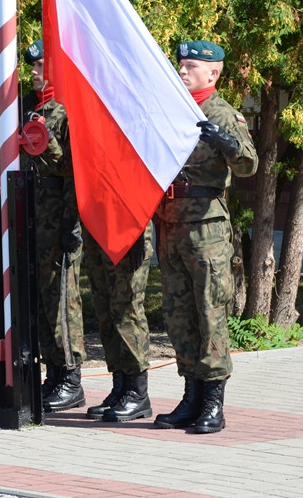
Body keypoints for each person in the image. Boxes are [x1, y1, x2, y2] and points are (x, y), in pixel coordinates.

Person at [153, 40, 258, 434]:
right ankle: (191, 396)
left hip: (206, 228)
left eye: (191, 66)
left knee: (210, 312)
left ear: (213, 73)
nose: (182, 71)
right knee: (179, 315)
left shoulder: (222, 113)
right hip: (171, 223)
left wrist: (227, 143)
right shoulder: (174, 110)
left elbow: (248, 164)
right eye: (181, 65)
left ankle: (214, 402)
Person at [19, 39, 86, 412]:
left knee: (63, 301)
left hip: (59, 215)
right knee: (43, 300)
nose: (32, 72)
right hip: (36, 215)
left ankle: (71, 377)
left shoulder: (64, 111)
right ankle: (54, 375)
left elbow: (72, 172)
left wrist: (70, 224)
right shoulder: (36, 109)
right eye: (30, 66)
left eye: (39, 65)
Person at [82, 226, 154, 422]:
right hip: (99, 225)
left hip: (126, 227)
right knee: (105, 310)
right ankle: (120, 388)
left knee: (127, 311)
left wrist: (137, 231)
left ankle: (137, 393)